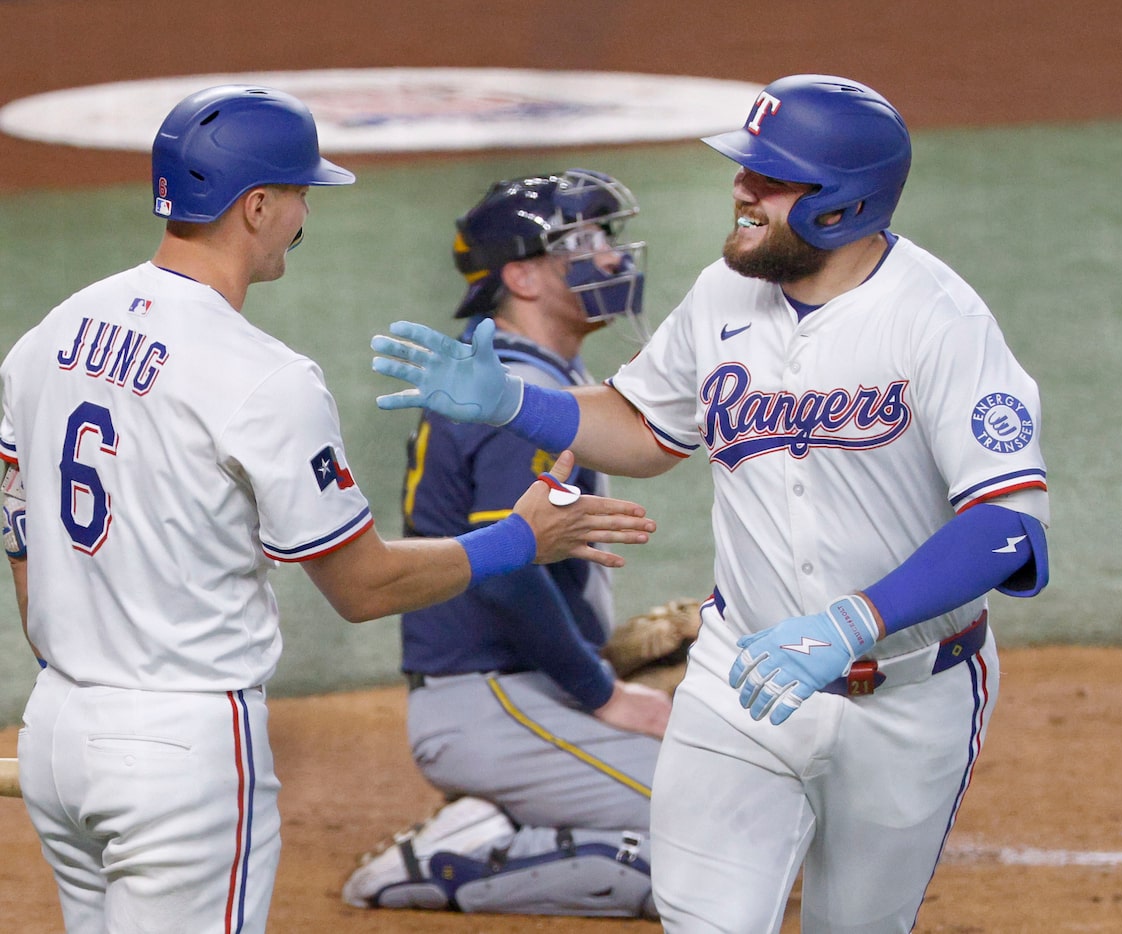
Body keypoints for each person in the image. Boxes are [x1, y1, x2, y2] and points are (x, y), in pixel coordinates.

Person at [371, 73, 1050, 932]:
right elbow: (644, 429)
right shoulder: (722, 295)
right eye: (744, 171)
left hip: (911, 694)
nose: (741, 188)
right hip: (739, 680)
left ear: (839, 204)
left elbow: (1007, 527)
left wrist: (853, 622)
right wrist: (517, 402)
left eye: (768, 179)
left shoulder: (938, 321)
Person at [0, 85, 655, 934]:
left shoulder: (52, 332)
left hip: (58, 728)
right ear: (259, 205)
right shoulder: (261, 376)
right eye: (302, 192)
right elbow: (363, 586)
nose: (307, 211)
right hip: (180, 747)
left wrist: (79, 667)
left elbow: (20, 530)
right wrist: (516, 543)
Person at [339, 168, 669, 919]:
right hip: (488, 699)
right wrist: (604, 691)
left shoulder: (536, 377)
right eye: (582, 242)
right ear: (520, 275)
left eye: (606, 239)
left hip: (517, 691)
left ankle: (511, 821)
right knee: (731, 837)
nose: (612, 258)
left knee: (755, 809)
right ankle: (453, 859)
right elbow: (504, 570)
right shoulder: (512, 389)